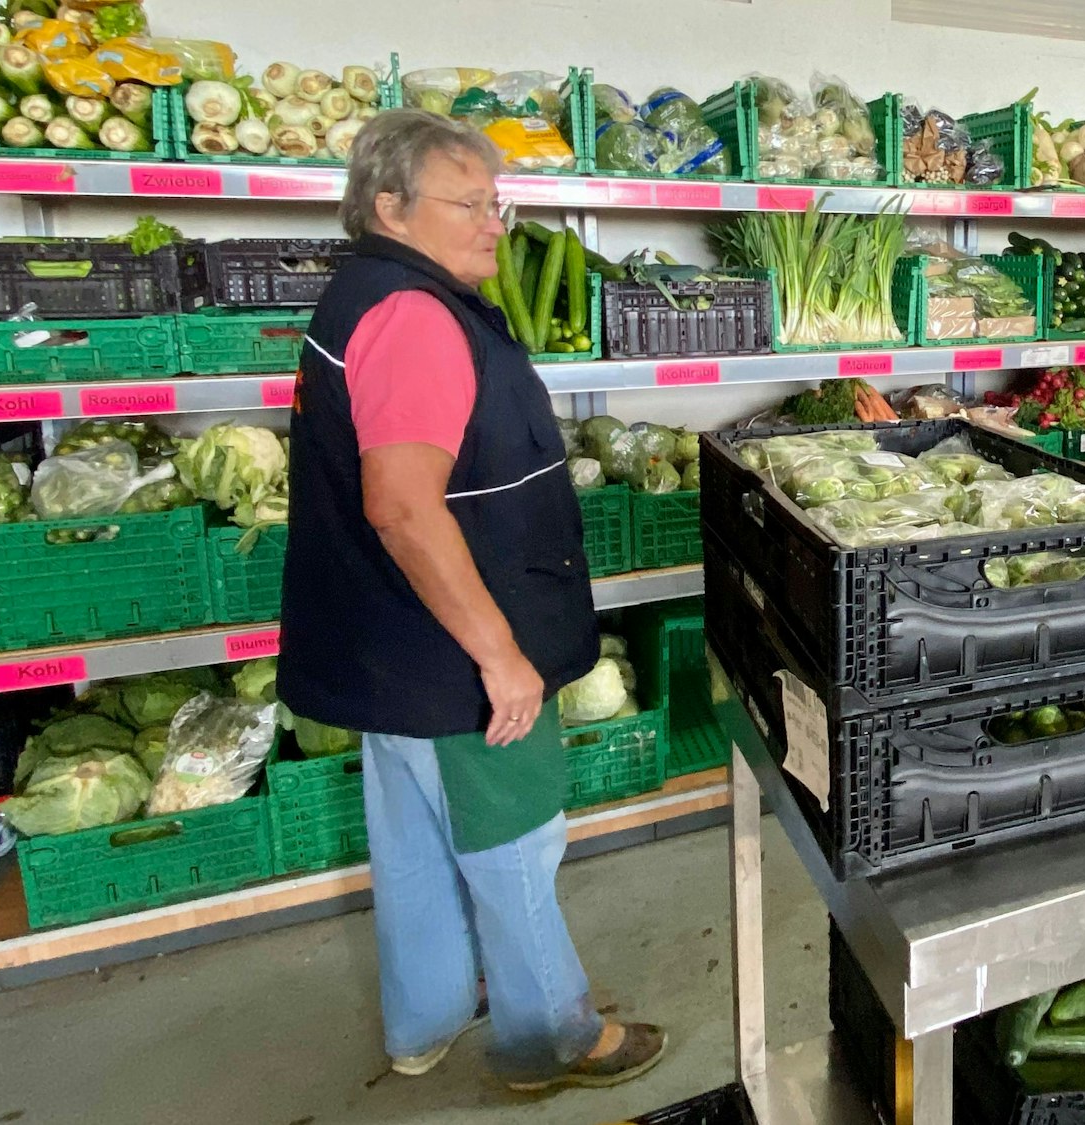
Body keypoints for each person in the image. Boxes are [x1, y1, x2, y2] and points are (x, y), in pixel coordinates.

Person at [276, 109, 667, 1092]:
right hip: (450, 657)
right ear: (387, 206)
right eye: (469, 203)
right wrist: (498, 654)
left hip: (386, 650)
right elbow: (405, 507)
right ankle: (554, 1039)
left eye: (498, 201)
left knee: (412, 843)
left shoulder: (366, 293)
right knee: (512, 845)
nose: (495, 222)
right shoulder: (411, 315)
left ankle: (425, 1021)